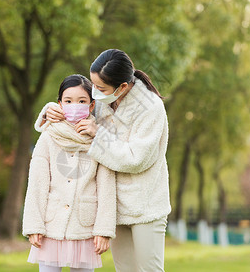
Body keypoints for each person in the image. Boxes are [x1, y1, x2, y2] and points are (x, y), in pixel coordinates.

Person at [37, 49, 171, 272]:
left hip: (145, 204)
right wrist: (50, 111)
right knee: (125, 269)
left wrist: (98, 134)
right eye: (93, 84)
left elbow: (136, 159)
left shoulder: (151, 108)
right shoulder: (102, 100)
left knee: (149, 269)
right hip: (115, 204)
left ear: (122, 87)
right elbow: (75, 109)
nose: (94, 92)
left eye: (100, 88)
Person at [22, 74, 116, 272]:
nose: (75, 105)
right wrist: (34, 225)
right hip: (51, 227)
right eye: (68, 101)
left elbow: (106, 187)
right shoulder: (48, 136)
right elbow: (37, 184)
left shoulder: (100, 139)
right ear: (59, 104)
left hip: (85, 228)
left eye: (82, 101)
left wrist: (104, 230)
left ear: (91, 106)